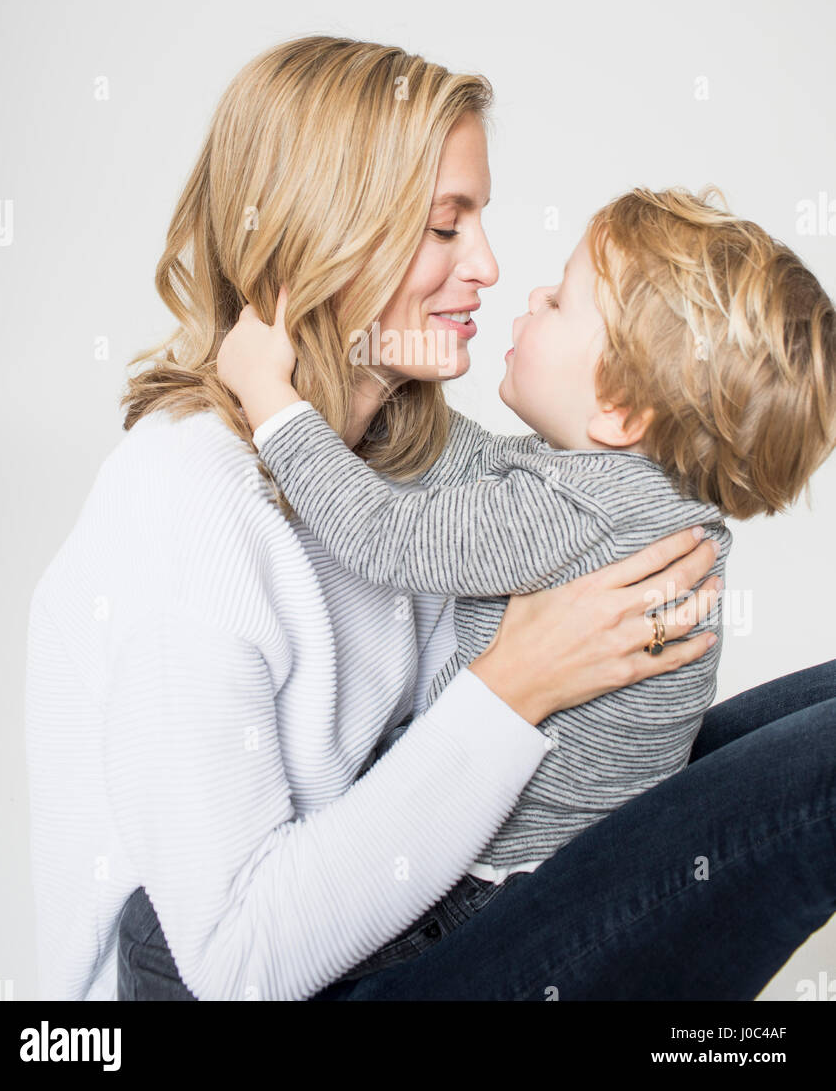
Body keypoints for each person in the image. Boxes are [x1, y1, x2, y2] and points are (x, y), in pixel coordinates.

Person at [24, 36, 834, 1002]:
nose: (491, 267)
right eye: (447, 229)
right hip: (228, 991)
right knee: (814, 780)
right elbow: (236, 965)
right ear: (326, 237)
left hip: (424, 907)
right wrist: (514, 685)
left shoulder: (401, 452)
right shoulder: (188, 502)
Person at [213, 183, 836, 903]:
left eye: (562, 302)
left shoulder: (582, 510)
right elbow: (475, 467)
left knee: (161, 943)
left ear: (620, 409)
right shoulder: (640, 495)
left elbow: (382, 533)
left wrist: (270, 397)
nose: (535, 294)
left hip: (488, 886)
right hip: (567, 850)